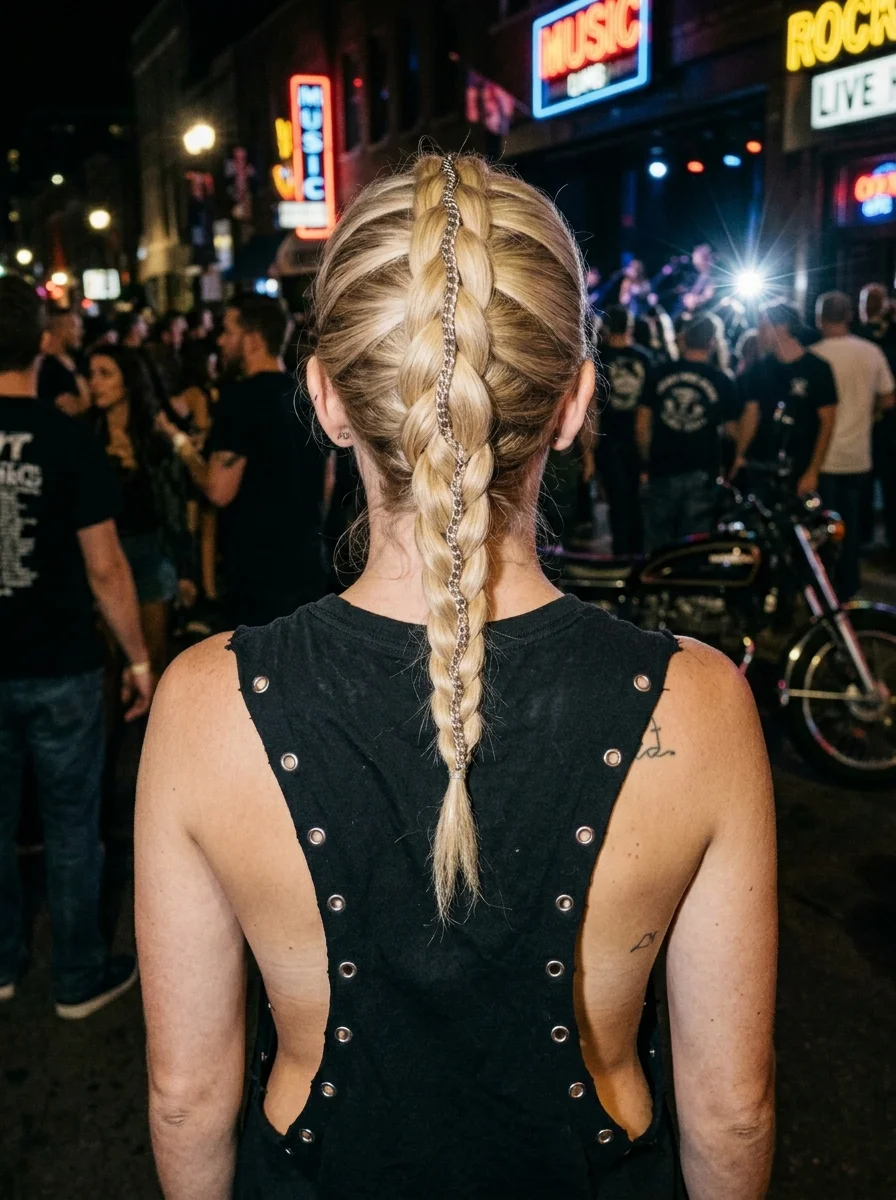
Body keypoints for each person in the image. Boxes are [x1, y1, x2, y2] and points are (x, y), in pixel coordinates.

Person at [136, 154, 776, 1200]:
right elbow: (730, 1110)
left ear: (330, 402)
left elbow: (185, 1098)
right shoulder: (698, 707)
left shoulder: (203, 705)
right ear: (572, 405)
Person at [0, 276, 152, 1017]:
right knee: (70, 824)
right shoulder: (67, 438)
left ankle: (2, 961)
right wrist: (138, 657)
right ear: (42, 341)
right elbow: (104, 564)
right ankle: (76, 976)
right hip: (59, 660)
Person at [158, 293, 327, 626]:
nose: (219, 342)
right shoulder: (307, 395)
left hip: (258, 574)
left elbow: (219, 489)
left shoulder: (239, 400)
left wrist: (179, 443)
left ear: (252, 339)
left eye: (227, 331)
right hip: (309, 566)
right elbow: (328, 483)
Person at [88, 345, 196, 677]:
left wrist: (185, 570)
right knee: (108, 661)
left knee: (154, 660)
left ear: (128, 381)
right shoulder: (86, 438)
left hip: (152, 552)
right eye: (91, 374)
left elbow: (176, 507)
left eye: (105, 374)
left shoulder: (154, 439)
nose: (95, 383)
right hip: (106, 553)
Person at [810, 291, 895, 598]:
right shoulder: (871, 352)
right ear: (849, 316)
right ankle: (850, 586)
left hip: (822, 457)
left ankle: (824, 589)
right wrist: (868, 413)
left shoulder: (816, 355)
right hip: (858, 454)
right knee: (852, 525)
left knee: (822, 529)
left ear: (820, 319)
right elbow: (888, 397)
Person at [637, 313, 741, 549]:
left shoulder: (659, 373)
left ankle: (656, 586)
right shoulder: (722, 380)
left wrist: (645, 460)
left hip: (662, 467)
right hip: (702, 470)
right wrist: (730, 462)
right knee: (694, 547)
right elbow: (733, 431)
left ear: (683, 338)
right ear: (712, 342)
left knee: (657, 545)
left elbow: (642, 425)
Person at [734, 303, 838, 496]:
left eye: (764, 327)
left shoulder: (817, 369)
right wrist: (739, 455)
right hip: (761, 466)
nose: (759, 333)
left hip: (798, 467)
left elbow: (827, 422)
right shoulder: (760, 369)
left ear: (782, 327)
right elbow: (751, 414)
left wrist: (813, 471)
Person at [596, 305, 651, 554]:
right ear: (630, 327)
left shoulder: (598, 357)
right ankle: (638, 556)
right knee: (638, 502)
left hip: (609, 438)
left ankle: (621, 556)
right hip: (638, 440)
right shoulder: (646, 358)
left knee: (617, 503)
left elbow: (592, 406)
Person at [858, 282, 896, 550]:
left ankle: (864, 535)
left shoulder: (857, 336)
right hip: (888, 421)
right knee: (890, 482)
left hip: (863, 420)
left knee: (864, 483)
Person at [37, 308, 91, 416]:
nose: (82, 332)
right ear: (63, 330)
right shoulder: (45, 367)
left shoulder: (73, 360)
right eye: (78, 328)